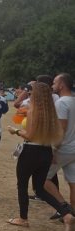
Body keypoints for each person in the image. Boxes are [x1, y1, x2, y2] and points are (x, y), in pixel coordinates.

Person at [7, 82, 74, 231]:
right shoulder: (51, 113)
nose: (30, 94)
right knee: (40, 189)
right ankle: (66, 214)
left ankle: (23, 218)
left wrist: (16, 131)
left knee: (22, 185)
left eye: (32, 92)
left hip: (31, 151)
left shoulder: (34, 111)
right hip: (46, 151)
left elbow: (30, 135)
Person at [45, 73, 75, 220]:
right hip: (73, 148)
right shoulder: (73, 100)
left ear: (62, 85)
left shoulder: (61, 103)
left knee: (42, 179)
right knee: (73, 183)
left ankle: (64, 208)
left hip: (63, 148)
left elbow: (60, 129)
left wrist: (54, 150)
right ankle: (73, 212)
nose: (52, 85)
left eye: (54, 82)